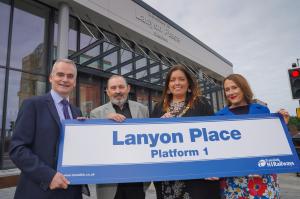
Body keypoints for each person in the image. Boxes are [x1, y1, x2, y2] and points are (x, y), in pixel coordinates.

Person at [9, 59, 89, 198]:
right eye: (60, 74)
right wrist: (49, 176)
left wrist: (86, 132)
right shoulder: (33, 105)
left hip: (71, 192)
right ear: (51, 78)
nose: (65, 79)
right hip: (39, 190)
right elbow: (17, 149)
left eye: (70, 76)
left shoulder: (77, 112)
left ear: (75, 82)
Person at [151, 64, 220, 199]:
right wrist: (159, 125)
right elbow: (150, 139)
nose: (177, 83)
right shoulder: (158, 108)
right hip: (168, 176)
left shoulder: (202, 104)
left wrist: (214, 167)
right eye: (172, 80)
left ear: (188, 84)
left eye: (181, 79)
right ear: (168, 86)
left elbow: (214, 137)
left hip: (197, 176)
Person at [216, 73, 290, 199]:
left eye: (234, 87)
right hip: (235, 181)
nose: (230, 92)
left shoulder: (261, 110)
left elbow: (271, 141)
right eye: (227, 89)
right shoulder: (219, 117)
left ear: (243, 88)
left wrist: (282, 124)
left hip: (263, 176)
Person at [90, 75, 149, 199]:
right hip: (110, 181)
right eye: (113, 88)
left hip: (136, 180)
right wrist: (105, 122)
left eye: (121, 87)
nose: (118, 91)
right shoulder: (96, 114)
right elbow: (93, 145)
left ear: (128, 88)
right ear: (107, 91)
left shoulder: (143, 110)